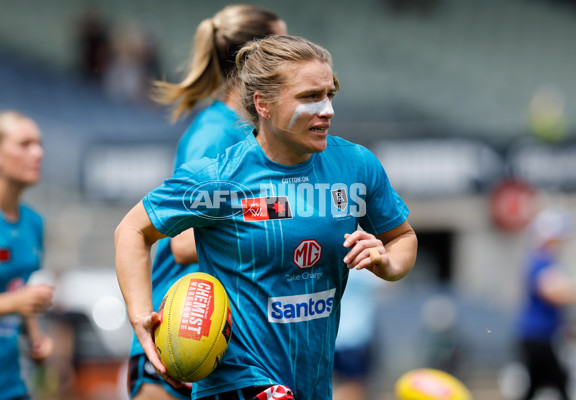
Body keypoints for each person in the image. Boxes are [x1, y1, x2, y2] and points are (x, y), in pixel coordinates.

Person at [115, 35, 418, 400]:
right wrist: (140, 316)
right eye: (309, 97)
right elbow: (132, 229)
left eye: (329, 95)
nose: (327, 110)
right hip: (239, 379)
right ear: (264, 105)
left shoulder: (356, 166)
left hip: (312, 380)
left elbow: (402, 238)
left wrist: (387, 263)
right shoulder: (221, 178)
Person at [127, 5, 287, 400]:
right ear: (254, 59)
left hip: (216, 331)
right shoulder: (214, 136)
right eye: (281, 45)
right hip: (182, 328)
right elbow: (182, 244)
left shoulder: (249, 134)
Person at [0, 111, 54, 399]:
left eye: (39, 143)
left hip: (11, 386)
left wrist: (35, 336)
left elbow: (19, 291)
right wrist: (17, 301)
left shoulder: (34, 223)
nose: (38, 152)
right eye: (25, 144)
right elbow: (16, 298)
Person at [515, 207, 576, 400]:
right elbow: (553, 292)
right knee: (558, 380)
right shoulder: (540, 260)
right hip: (537, 336)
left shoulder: (545, 260)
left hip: (541, 336)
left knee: (539, 384)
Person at [333, 269, 381, 400]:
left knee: (326, 385)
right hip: (355, 339)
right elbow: (393, 280)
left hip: (329, 338)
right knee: (355, 388)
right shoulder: (364, 268)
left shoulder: (329, 266)